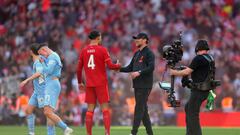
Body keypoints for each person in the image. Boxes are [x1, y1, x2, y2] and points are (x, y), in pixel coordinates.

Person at [77, 30, 121, 135]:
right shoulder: (103, 50)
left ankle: (88, 134)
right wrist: (118, 65)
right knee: (105, 109)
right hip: (101, 83)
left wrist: (80, 82)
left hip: (89, 84)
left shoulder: (84, 51)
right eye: (100, 37)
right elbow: (110, 66)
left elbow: (78, 69)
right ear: (98, 38)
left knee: (90, 110)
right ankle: (107, 133)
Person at [170, 39, 215, 135]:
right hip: (206, 90)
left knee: (193, 114)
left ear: (197, 48)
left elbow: (187, 72)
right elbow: (200, 72)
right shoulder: (210, 58)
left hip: (198, 90)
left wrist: (174, 72)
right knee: (188, 108)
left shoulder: (198, 58)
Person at [119, 33, 155, 135]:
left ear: (144, 40)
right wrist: (118, 68)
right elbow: (130, 67)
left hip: (145, 85)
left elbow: (151, 67)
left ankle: (133, 133)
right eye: (135, 39)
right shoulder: (136, 54)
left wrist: (139, 72)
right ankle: (150, 133)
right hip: (137, 85)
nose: (136, 41)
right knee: (143, 110)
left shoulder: (149, 53)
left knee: (139, 108)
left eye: (138, 39)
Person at [37, 43, 73, 135]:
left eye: (40, 53)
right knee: (49, 114)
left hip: (52, 85)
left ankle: (65, 128)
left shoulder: (53, 56)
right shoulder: (50, 57)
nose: (41, 55)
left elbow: (48, 70)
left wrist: (42, 62)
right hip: (50, 84)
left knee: (47, 112)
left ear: (44, 49)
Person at [20, 44, 56, 135]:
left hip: (43, 91)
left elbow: (39, 73)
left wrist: (26, 80)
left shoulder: (38, 61)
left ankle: (51, 133)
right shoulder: (39, 59)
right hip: (37, 91)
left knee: (48, 114)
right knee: (28, 110)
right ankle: (31, 133)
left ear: (31, 52)